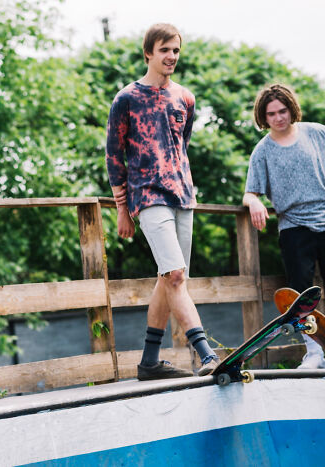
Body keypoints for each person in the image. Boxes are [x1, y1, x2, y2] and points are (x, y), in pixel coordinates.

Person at [105, 23, 219, 381]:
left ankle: (149, 362)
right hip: (147, 196)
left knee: (168, 278)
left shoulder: (185, 98)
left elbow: (181, 148)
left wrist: (188, 188)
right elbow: (113, 157)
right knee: (175, 274)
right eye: (164, 50)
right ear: (148, 54)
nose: (171, 57)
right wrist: (122, 209)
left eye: (176, 51)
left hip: (183, 196)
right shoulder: (126, 99)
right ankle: (207, 353)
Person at [243, 83, 325, 369]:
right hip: (293, 224)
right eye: (271, 114)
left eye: (283, 111)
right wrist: (254, 203)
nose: (279, 118)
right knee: (300, 294)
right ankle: (315, 354)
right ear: (263, 117)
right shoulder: (262, 151)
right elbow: (250, 191)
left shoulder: (314, 132)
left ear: (291, 109)